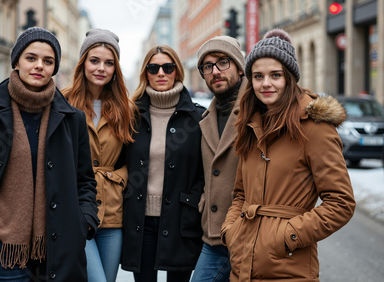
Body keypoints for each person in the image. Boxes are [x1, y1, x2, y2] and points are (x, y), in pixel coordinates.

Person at [0, 27, 99, 282]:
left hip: (60, 250)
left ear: (54, 68)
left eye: (48, 61)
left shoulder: (73, 119)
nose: (39, 66)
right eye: (31, 58)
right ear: (16, 61)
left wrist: (84, 224)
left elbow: (85, 182)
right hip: (3, 251)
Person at [220, 29, 356, 281]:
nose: (266, 83)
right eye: (258, 76)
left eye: (275, 75)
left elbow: (341, 203)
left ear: (290, 78)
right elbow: (240, 194)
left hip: (289, 269)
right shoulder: (250, 125)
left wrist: (287, 236)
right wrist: (231, 231)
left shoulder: (314, 128)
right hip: (242, 266)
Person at [120, 45, 205, 282]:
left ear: (177, 71)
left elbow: (205, 172)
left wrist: (194, 201)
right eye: (153, 67)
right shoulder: (130, 116)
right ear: (145, 73)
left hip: (181, 220)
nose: (161, 73)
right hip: (140, 220)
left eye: (168, 67)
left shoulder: (197, 118)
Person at [62, 28, 136, 282]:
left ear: (116, 69)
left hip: (113, 215)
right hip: (75, 212)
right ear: (83, 63)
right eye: (94, 61)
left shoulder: (126, 108)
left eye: (109, 63)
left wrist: (118, 178)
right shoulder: (62, 103)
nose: (101, 68)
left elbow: (134, 159)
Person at [191, 36, 247, 282]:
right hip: (214, 235)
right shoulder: (205, 117)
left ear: (239, 66)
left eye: (223, 62)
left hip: (250, 234)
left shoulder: (260, 109)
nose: (215, 71)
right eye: (207, 66)